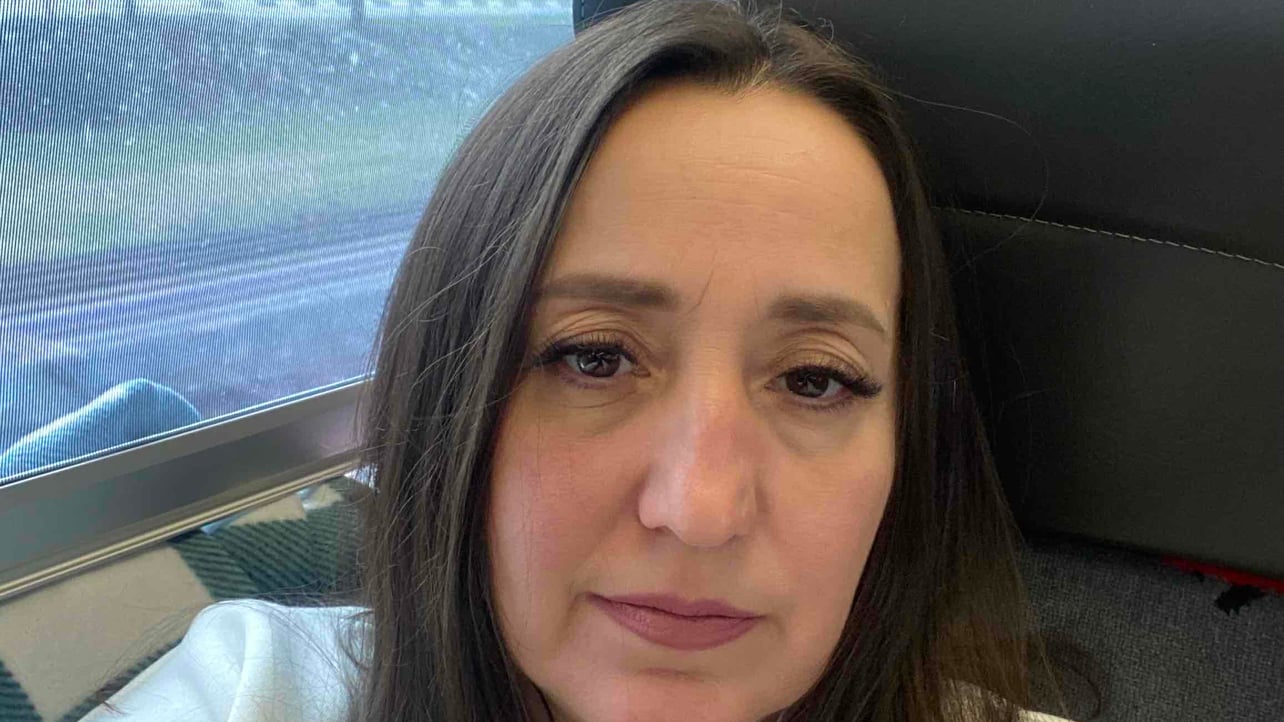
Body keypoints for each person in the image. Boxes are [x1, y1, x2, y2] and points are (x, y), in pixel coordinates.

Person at [84, 1, 1076, 720]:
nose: (699, 507)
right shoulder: (255, 692)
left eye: (815, 378)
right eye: (595, 357)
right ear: (451, 408)